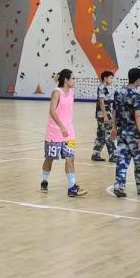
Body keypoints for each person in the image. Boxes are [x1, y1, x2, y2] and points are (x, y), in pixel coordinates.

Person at [40, 69, 86, 197]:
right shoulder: (56, 92)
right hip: (54, 132)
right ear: (66, 80)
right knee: (49, 159)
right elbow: (52, 111)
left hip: (69, 133)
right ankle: (44, 181)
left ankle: (72, 187)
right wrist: (61, 126)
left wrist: (66, 128)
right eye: (73, 78)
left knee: (70, 159)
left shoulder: (71, 92)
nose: (74, 81)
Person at [110, 67, 140, 197]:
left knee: (122, 160)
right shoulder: (136, 95)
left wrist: (114, 128)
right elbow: (137, 115)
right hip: (134, 132)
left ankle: (119, 187)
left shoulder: (118, 92)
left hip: (122, 131)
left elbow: (114, 111)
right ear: (138, 80)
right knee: (139, 161)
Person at [92, 70, 116, 163]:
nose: (112, 80)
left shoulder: (107, 88)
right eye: (110, 78)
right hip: (103, 114)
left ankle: (95, 154)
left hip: (105, 113)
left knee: (101, 135)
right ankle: (113, 155)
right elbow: (101, 102)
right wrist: (105, 116)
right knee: (108, 134)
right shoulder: (102, 87)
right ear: (105, 78)